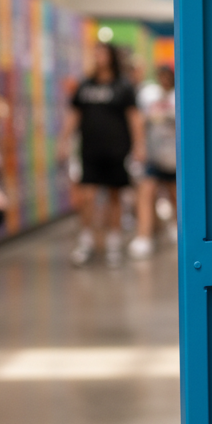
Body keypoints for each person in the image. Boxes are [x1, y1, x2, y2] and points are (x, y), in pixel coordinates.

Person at [59, 43, 144, 267]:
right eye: (95, 53)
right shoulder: (85, 86)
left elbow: (134, 118)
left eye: (102, 53)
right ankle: (86, 241)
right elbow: (74, 114)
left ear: (111, 57)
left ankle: (113, 242)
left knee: (114, 197)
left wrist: (139, 146)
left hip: (116, 151)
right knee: (86, 196)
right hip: (89, 151)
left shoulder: (123, 86)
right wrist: (64, 141)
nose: (98, 57)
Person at [128, 65, 176, 259]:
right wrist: (139, 147)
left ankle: (176, 226)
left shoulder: (178, 97)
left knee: (175, 196)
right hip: (154, 155)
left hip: (174, 157)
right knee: (146, 193)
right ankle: (144, 236)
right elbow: (140, 121)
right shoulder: (148, 96)